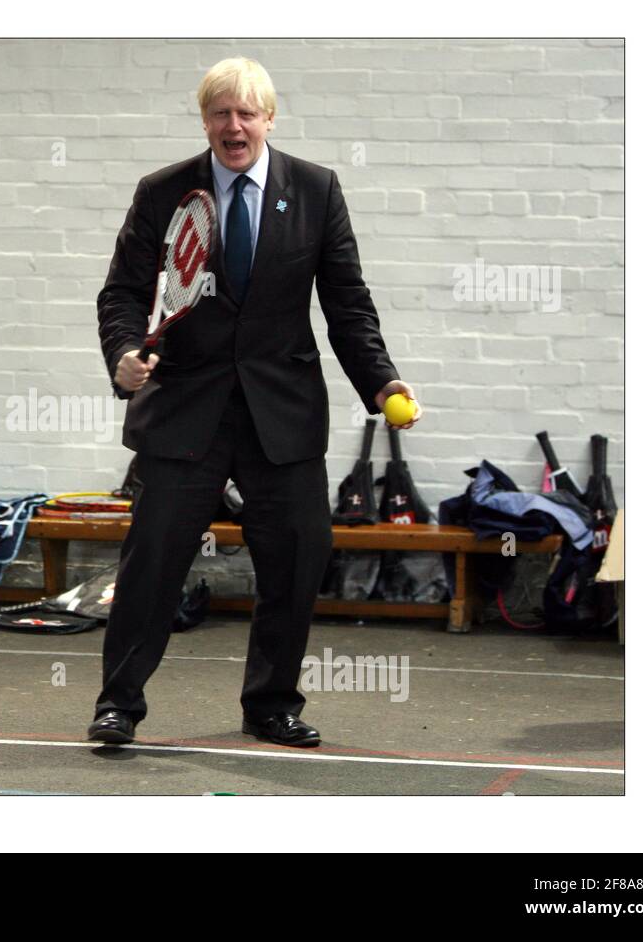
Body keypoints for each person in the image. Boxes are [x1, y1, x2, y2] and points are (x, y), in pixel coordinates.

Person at [90, 57, 422, 746]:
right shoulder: (162, 192)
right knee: (152, 561)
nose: (233, 125)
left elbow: (348, 305)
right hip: (184, 410)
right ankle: (118, 702)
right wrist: (123, 351)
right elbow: (122, 291)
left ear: (270, 118)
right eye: (219, 112)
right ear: (205, 120)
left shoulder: (315, 190)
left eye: (247, 113)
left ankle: (271, 704)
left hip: (282, 410)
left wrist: (382, 381)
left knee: (300, 557)